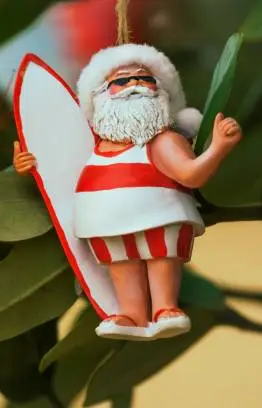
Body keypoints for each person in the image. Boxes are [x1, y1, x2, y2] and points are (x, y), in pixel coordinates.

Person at [13, 43, 242, 340]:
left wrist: (218, 148)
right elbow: (55, 165)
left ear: (162, 93)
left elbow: (191, 174)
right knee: (122, 265)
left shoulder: (164, 142)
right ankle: (132, 313)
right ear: (98, 98)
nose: (134, 85)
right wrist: (28, 162)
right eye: (121, 81)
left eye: (145, 79)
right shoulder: (90, 146)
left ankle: (165, 308)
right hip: (105, 226)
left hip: (160, 218)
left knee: (161, 259)